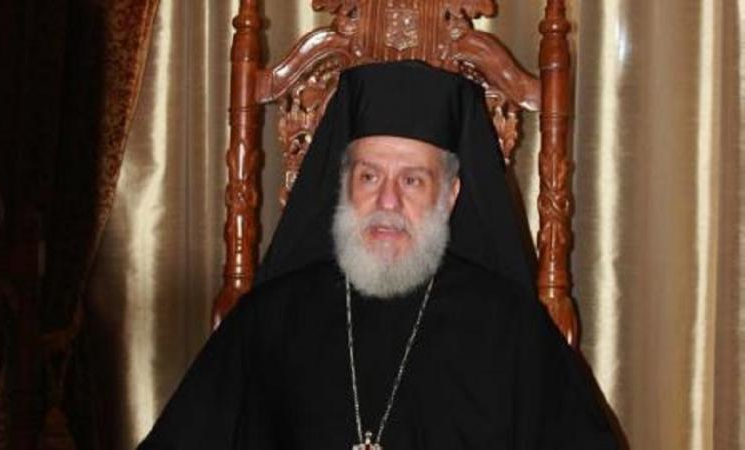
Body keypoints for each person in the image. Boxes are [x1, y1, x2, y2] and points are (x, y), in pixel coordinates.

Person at [138, 61, 619, 449]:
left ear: (449, 195)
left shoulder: (511, 328)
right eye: (369, 176)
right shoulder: (269, 319)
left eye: (412, 180)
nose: (388, 202)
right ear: (344, 184)